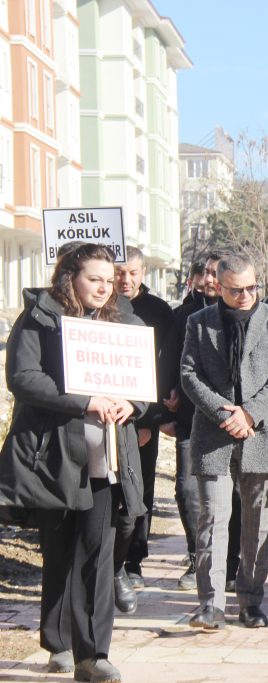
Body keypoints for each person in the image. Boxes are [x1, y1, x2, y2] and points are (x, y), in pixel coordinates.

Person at [0, 243, 147, 682]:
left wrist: (131, 405)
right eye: (94, 279)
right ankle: (58, 640)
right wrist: (84, 401)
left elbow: (142, 382)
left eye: (109, 280)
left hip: (109, 457)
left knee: (98, 555)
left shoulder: (125, 322)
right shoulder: (40, 318)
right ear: (71, 278)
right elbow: (23, 378)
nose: (104, 288)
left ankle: (93, 654)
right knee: (61, 552)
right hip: (57, 455)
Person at [180, 253, 268, 630]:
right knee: (212, 520)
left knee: (258, 523)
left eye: (251, 288)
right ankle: (210, 605)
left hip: (261, 433)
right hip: (214, 436)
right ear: (218, 286)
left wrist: (250, 413)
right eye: (236, 290)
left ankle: (250, 600)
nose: (245, 295)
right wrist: (225, 414)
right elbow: (188, 375)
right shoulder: (198, 323)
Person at [111, 246, 174, 600]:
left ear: (143, 273)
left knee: (140, 489)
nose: (124, 279)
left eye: (131, 273)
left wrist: (150, 418)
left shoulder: (159, 312)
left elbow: (161, 369)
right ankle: (109, 560)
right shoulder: (100, 309)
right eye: (119, 272)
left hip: (141, 416)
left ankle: (134, 560)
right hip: (101, 412)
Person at [159, 251, 222, 592]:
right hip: (187, 417)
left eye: (217, 273)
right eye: (206, 273)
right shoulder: (182, 315)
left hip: (229, 421)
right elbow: (168, 362)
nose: (211, 280)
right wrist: (164, 409)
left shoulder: (241, 313)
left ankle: (224, 557)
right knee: (187, 488)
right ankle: (196, 553)